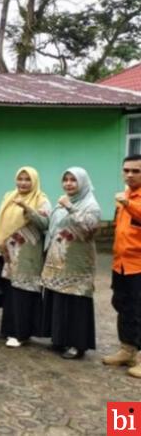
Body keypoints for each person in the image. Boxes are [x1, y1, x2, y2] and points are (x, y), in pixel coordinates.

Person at [31, 167, 101, 360]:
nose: (68, 184)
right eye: (66, 180)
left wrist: (70, 207)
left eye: (73, 180)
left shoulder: (90, 205)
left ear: (83, 183)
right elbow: (53, 228)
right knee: (58, 299)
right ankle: (59, 338)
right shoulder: (62, 203)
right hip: (57, 260)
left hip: (76, 263)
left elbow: (89, 228)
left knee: (75, 300)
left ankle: (77, 345)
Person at [0, 167, 51, 348]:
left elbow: (45, 223)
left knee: (24, 292)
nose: (23, 183)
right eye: (20, 179)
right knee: (10, 291)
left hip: (28, 253)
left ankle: (21, 333)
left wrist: (28, 209)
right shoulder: (10, 196)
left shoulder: (41, 199)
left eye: (27, 179)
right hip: (9, 251)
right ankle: (9, 329)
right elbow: (1, 219)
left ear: (34, 181)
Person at [102, 154, 141, 378]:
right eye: (126, 170)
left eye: (135, 171)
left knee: (139, 310)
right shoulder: (125, 196)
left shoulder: (130, 199)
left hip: (139, 265)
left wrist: (128, 203)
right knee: (122, 305)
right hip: (121, 264)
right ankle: (128, 350)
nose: (130, 174)